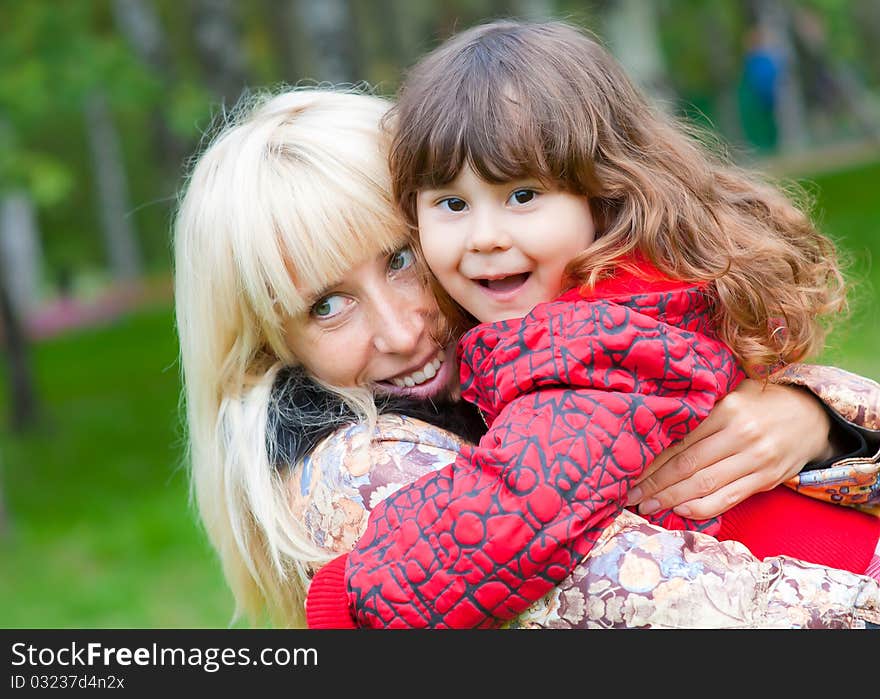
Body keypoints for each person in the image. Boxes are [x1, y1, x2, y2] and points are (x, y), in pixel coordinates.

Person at [173, 87, 880, 631]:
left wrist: (812, 420)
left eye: (400, 259)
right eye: (327, 305)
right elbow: (686, 606)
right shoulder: (364, 470)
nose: (401, 329)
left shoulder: (545, 340)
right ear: (269, 344)